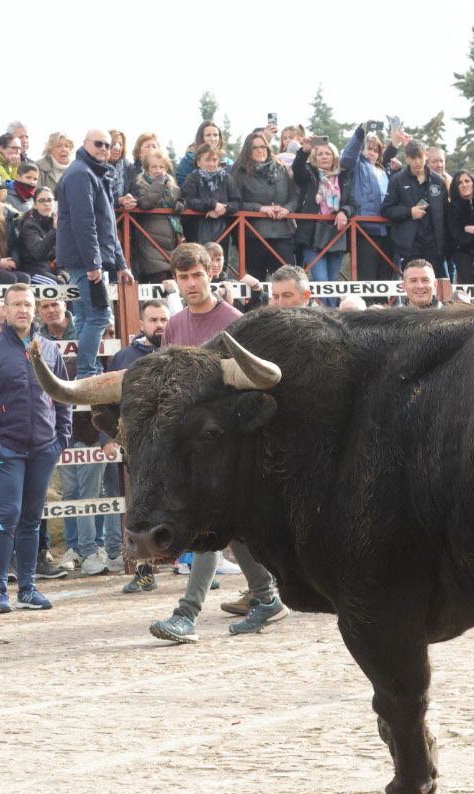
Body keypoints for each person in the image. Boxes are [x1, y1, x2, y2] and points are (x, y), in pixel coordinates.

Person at [148, 242, 287, 643]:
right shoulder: (175, 325)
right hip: (190, 444)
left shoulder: (234, 322)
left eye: (197, 275)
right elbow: (169, 385)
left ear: (211, 274)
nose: (191, 283)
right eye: (183, 277)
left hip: (226, 442)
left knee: (207, 524)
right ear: (175, 281)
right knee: (226, 527)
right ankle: (266, 597)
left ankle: (187, 614)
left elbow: (250, 386)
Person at [0, 282, 70, 610]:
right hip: (7, 449)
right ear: (5, 310)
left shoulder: (49, 349)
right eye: (17, 304)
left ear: (35, 310)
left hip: (44, 448)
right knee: (8, 515)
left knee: (32, 520)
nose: (23, 309)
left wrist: (61, 438)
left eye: (28, 304)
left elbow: (63, 394)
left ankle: (27, 589)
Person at [57, 127, 130, 380]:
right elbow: (84, 222)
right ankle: (87, 373)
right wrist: (93, 263)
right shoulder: (81, 173)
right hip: (87, 262)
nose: (104, 149)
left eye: (108, 145)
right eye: (99, 144)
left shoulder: (93, 173)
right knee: (99, 316)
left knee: (86, 317)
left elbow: (108, 225)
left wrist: (121, 263)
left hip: (90, 260)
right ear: (85, 144)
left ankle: (87, 373)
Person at [110, 299, 168, 595]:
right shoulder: (124, 357)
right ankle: (145, 572)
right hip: (140, 450)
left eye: (164, 319)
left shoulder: (179, 352)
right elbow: (110, 403)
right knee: (140, 507)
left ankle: (200, 570)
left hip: (178, 446)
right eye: (153, 320)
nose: (160, 325)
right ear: (141, 325)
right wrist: (108, 438)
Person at [231, 126, 297, 281]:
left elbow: (295, 197)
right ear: (248, 150)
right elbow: (235, 202)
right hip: (254, 236)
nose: (260, 150)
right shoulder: (239, 172)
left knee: (287, 282)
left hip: (283, 235)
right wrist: (259, 208)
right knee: (255, 286)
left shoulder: (281, 168)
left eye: (263, 146)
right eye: (255, 148)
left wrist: (287, 209)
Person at [291, 137, 354, 289]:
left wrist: (344, 212)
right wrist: (304, 151)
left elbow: (352, 203)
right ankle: (325, 305)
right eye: (320, 154)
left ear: (334, 157)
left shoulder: (343, 177)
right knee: (321, 280)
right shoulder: (309, 173)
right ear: (314, 158)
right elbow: (297, 170)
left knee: (333, 282)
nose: (324, 157)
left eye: (328, 153)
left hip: (336, 233)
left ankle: (332, 305)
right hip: (311, 234)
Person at [382, 139, 447, 269]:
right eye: (413, 158)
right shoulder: (397, 180)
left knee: (438, 281)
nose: (417, 162)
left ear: (426, 155)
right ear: (407, 158)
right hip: (409, 247)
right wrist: (409, 212)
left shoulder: (438, 181)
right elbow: (387, 210)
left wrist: (445, 244)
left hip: (435, 246)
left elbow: (446, 211)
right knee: (412, 280)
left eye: (420, 157)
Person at [343, 120, 393, 281]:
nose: (371, 153)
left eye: (375, 150)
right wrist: (360, 133)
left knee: (385, 278)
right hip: (364, 229)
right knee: (367, 278)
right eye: (368, 149)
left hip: (385, 229)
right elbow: (348, 157)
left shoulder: (384, 172)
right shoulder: (357, 166)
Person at [128, 151, 179, 284]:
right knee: (160, 283)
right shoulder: (140, 184)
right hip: (150, 242)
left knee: (172, 286)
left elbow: (180, 198)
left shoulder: (172, 186)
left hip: (170, 243)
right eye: (154, 167)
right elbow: (146, 203)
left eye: (161, 167)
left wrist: (181, 204)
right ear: (147, 168)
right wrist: (159, 183)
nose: (158, 170)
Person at [179, 143, 235, 246]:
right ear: (198, 162)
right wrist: (213, 204)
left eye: (214, 160)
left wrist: (223, 210)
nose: (212, 164)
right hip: (196, 231)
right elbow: (187, 199)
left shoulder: (226, 178)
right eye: (207, 160)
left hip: (222, 231)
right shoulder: (193, 178)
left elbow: (237, 202)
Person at [15, 186, 59, 279]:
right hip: (32, 269)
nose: (46, 204)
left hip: (52, 268)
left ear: (54, 203)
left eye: (49, 200)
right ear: (35, 205)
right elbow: (38, 253)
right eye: (42, 201)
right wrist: (55, 230)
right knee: (57, 283)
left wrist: (62, 273)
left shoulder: (56, 221)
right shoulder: (29, 225)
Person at [176, 119, 226, 184]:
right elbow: (184, 186)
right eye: (208, 135)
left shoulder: (226, 162)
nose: (212, 139)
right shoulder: (188, 161)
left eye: (215, 135)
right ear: (201, 137)